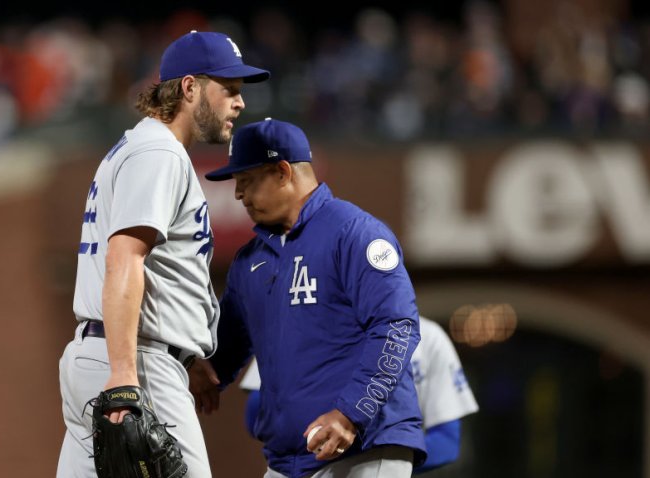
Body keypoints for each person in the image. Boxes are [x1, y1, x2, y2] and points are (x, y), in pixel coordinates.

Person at [56, 30, 269, 478]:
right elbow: (125, 258)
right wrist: (125, 376)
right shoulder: (160, 153)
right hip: (138, 362)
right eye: (228, 89)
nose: (239, 102)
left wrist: (186, 358)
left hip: (105, 355)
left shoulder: (138, 147)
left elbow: (151, 268)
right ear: (189, 88)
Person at [191, 118, 426, 477]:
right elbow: (226, 347)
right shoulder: (250, 260)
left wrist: (351, 413)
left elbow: (396, 327)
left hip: (365, 447)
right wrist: (196, 372)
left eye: (247, 181)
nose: (238, 194)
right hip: (289, 459)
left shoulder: (354, 233)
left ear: (283, 172)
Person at [239, 316, 479, 473]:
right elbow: (256, 416)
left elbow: (447, 442)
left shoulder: (428, 336)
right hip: (304, 466)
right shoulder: (294, 325)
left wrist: (379, 461)